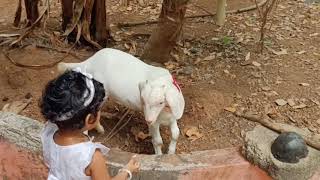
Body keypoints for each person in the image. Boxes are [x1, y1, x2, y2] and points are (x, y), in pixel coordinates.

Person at [40, 68, 139, 180]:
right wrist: (127, 170)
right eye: (99, 109)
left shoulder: (48, 132)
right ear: (90, 119)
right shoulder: (91, 157)